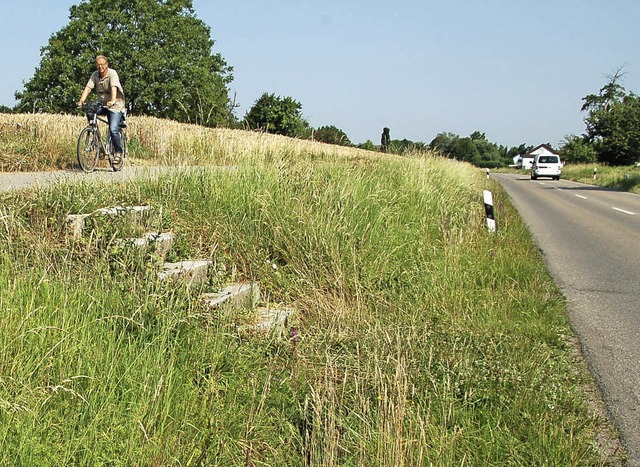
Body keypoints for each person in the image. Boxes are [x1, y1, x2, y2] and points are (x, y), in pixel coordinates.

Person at [77, 55, 126, 164]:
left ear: (106, 64)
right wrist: (81, 101)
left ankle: (118, 152)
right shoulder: (95, 75)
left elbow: (114, 87)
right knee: (90, 110)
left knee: (113, 129)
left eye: (102, 64)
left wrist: (113, 100)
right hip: (103, 104)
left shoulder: (112, 74)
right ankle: (95, 137)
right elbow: (88, 88)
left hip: (115, 105)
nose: (100, 67)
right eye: (98, 65)